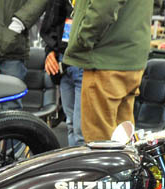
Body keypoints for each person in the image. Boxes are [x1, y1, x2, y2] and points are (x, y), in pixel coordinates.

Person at [63, 0, 152, 141]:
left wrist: (82, 39)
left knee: (100, 142)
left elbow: (103, 7)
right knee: (123, 141)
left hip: (105, 58)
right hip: (131, 55)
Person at [40, 0, 83, 146]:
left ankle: (82, 160)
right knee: (71, 125)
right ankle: (75, 159)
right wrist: (50, 51)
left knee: (81, 129)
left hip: (84, 61)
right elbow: (51, 22)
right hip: (63, 62)